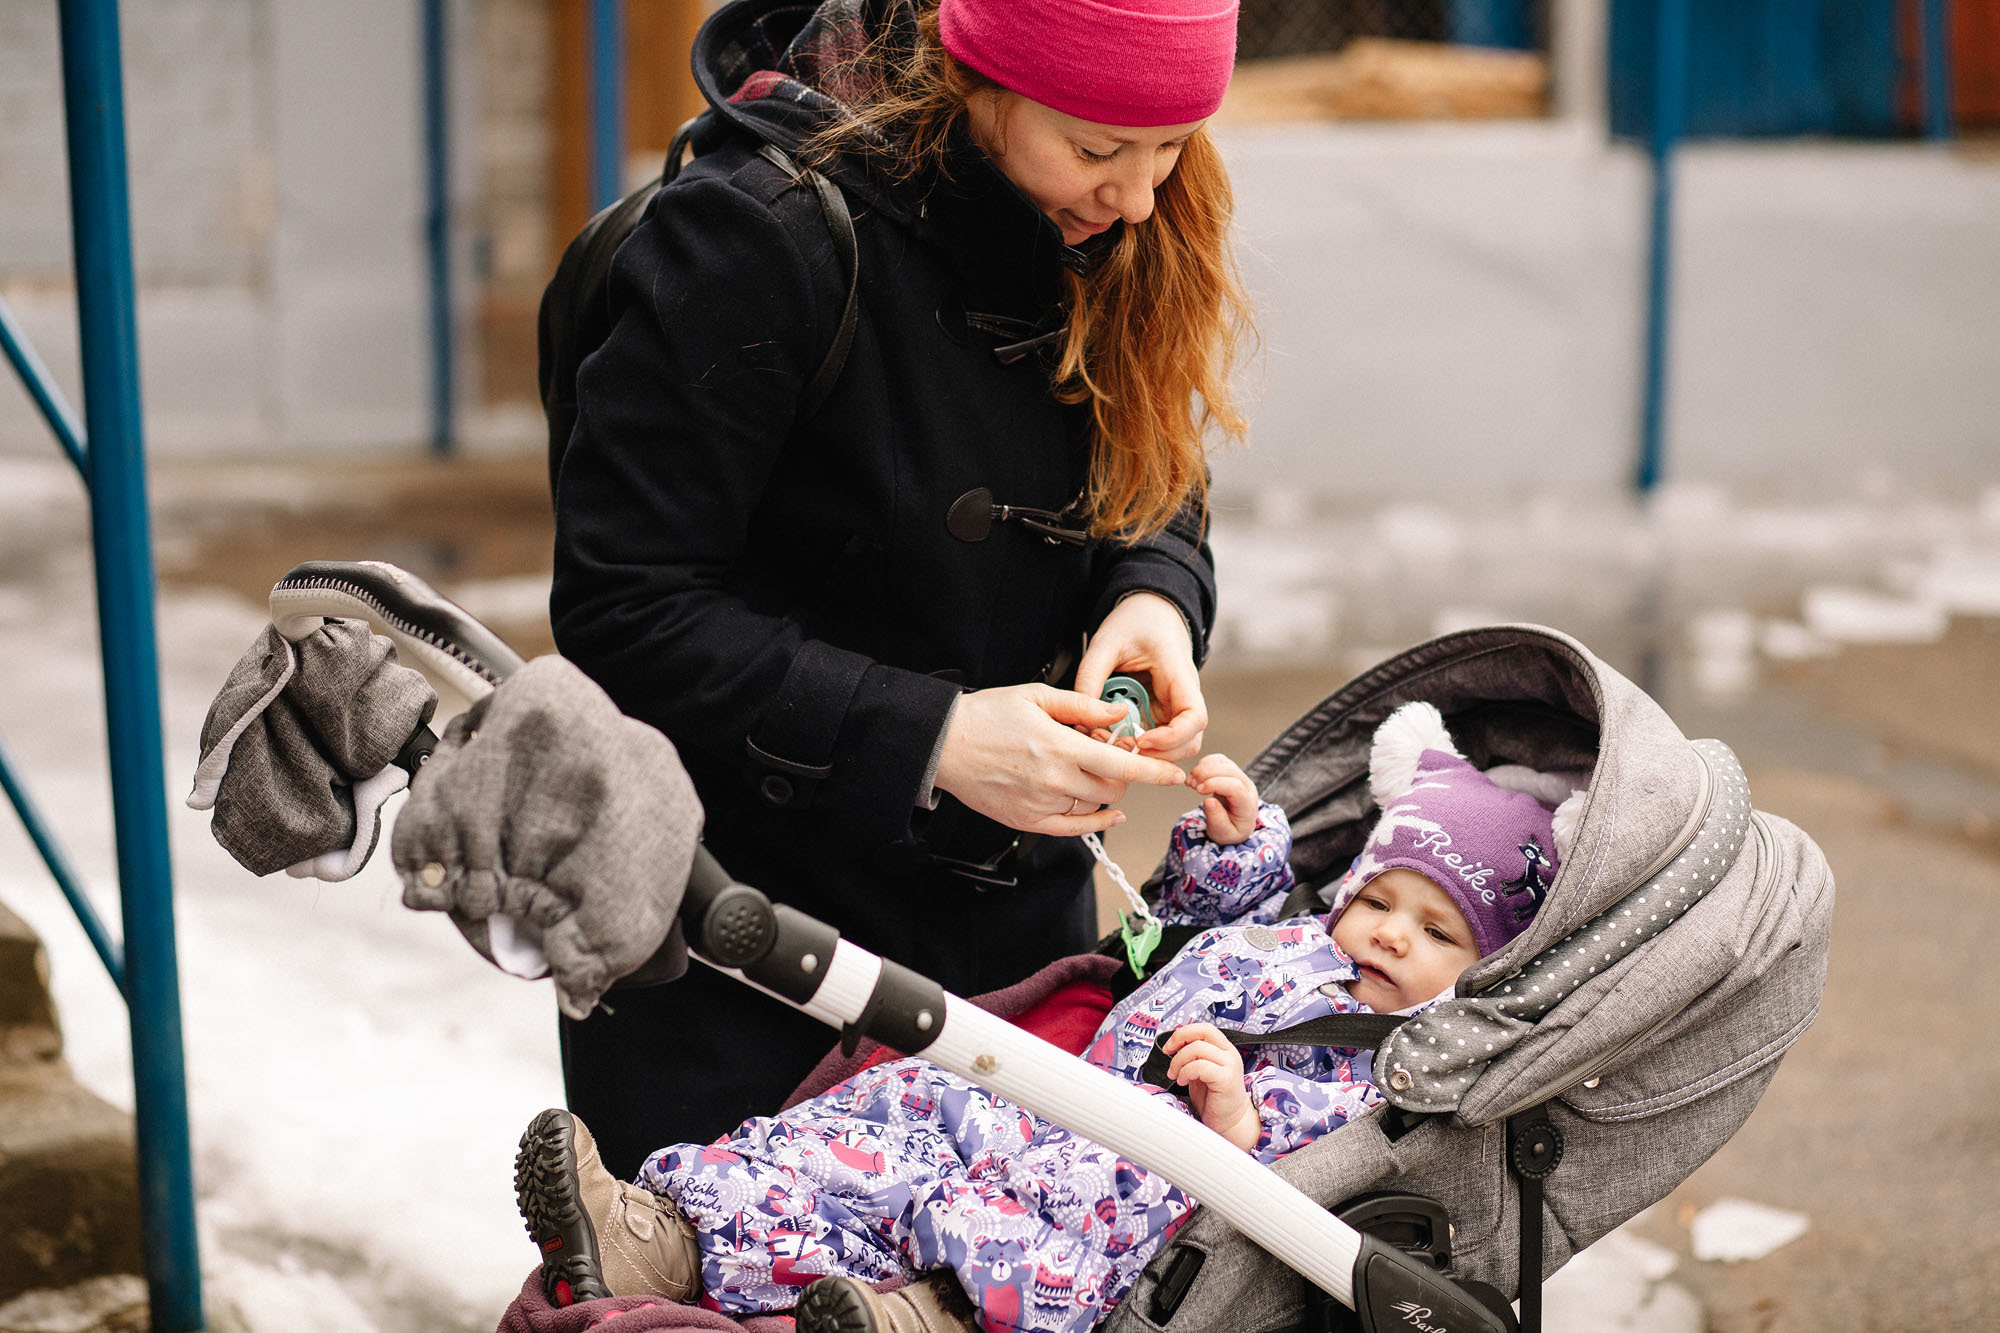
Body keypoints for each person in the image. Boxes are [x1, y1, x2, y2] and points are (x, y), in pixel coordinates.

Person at [548, 0, 1255, 1175]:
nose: (1136, 198)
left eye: (1172, 147)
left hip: (1013, 943)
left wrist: (1151, 595)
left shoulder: (1110, 222)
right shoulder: (754, 235)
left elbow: (1156, 465)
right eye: (1095, 150)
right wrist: (932, 737)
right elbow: (626, 605)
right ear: (977, 74)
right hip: (743, 940)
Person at [513, 702, 1583, 1332]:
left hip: (1146, 1182)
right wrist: (1232, 843)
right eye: (1378, 899)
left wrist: (1230, 1122)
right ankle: (666, 1236)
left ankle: (912, 1318)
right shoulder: (1298, 939)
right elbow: (1187, 927)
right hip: (1052, 1097)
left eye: (1436, 931)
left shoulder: (1394, 1069)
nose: (1389, 934)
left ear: (1489, 964)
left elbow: (1320, 1180)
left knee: (1006, 1237)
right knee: (884, 1117)